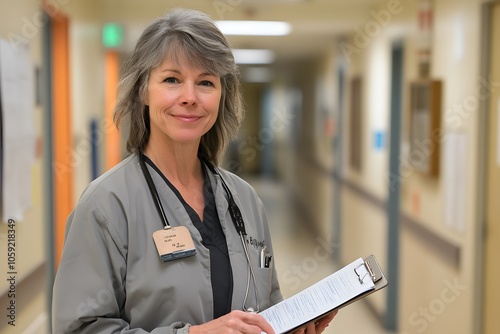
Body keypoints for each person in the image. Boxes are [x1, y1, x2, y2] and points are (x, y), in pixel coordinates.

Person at [52, 7, 336, 334]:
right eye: (172, 79)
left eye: (205, 82)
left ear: (221, 95)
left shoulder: (244, 200)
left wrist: (289, 327)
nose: (189, 97)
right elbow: (78, 328)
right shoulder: (106, 206)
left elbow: (265, 305)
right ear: (144, 90)